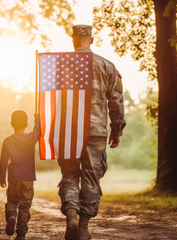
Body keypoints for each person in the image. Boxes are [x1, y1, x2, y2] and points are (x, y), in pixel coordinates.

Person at [58, 25, 126, 240]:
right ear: (92, 40)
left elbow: (48, 100)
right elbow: (116, 101)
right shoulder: (107, 66)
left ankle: (71, 215)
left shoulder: (59, 64)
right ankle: (84, 226)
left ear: (73, 40)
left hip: (68, 129)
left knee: (69, 174)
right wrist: (117, 130)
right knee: (91, 177)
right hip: (96, 130)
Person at [0, 110, 40, 240]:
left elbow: (3, 161)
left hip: (13, 178)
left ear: (11, 124)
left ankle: (11, 216)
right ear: (26, 124)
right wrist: (37, 119)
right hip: (27, 179)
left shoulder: (7, 141)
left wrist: (2, 179)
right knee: (24, 206)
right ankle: (21, 234)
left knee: (12, 201)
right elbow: (38, 132)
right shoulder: (30, 138)